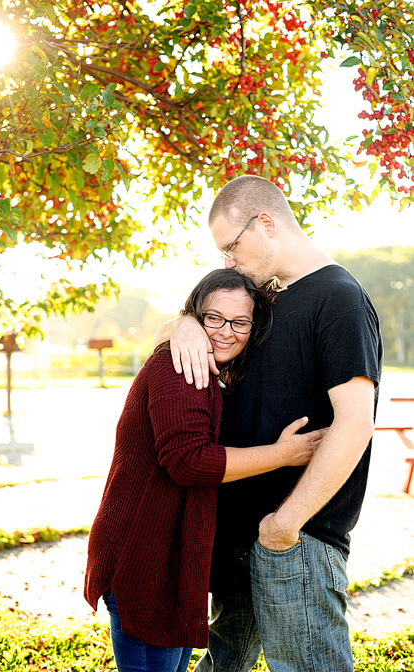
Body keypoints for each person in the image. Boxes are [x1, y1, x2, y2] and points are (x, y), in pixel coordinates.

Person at [161, 175, 382, 672]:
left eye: (231, 248)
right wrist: (184, 323)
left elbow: (355, 423)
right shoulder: (268, 301)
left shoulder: (339, 297)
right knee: (221, 666)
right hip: (241, 538)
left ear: (265, 224)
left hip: (295, 540)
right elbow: (217, 325)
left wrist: (284, 525)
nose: (227, 262)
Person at [84, 268, 324, 672]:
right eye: (213, 318)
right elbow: (189, 462)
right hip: (144, 561)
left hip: (168, 562)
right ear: (195, 315)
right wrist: (283, 454)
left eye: (240, 322)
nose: (225, 331)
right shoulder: (180, 369)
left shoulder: (210, 372)